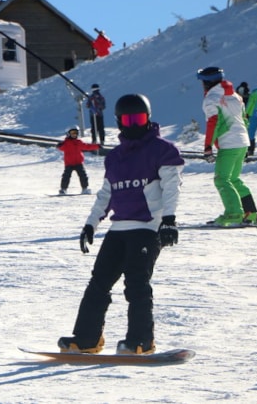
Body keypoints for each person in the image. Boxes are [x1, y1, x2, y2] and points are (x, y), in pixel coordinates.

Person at [58, 94, 184, 356]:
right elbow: (106, 193)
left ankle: (141, 341)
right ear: (119, 121)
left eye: (139, 118)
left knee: (136, 284)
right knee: (98, 283)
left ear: (148, 118)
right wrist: (91, 224)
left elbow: (172, 187)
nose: (134, 124)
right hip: (119, 229)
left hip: (148, 227)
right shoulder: (114, 157)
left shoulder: (162, 150)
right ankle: (86, 339)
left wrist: (169, 220)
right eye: (128, 120)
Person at [197, 66, 257, 226]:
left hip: (229, 143)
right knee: (233, 179)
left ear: (207, 83)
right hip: (242, 142)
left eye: (202, 82)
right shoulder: (235, 96)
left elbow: (213, 122)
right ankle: (251, 214)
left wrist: (208, 147)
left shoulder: (212, 99)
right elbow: (244, 119)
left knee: (222, 180)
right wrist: (245, 143)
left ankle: (234, 213)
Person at [57, 127, 100, 195]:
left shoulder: (78, 142)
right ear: (68, 134)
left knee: (83, 175)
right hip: (69, 163)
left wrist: (97, 146)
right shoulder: (66, 143)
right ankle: (63, 189)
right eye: (72, 133)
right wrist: (59, 145)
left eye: (76, 133)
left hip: (78, 163)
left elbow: (87, 146)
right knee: (66, 176)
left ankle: (84, 188)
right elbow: (60, 148)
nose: (74, 135)